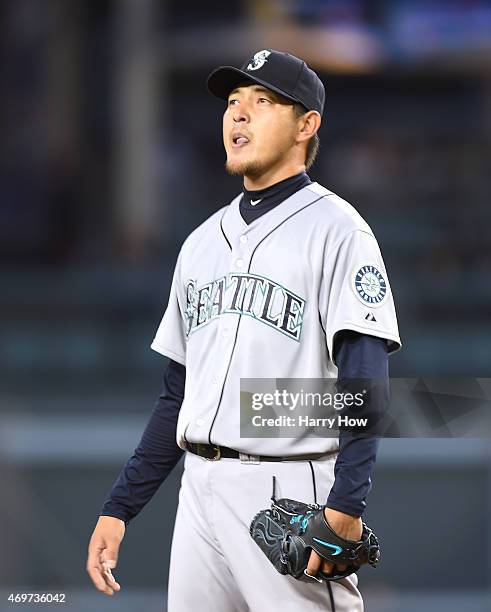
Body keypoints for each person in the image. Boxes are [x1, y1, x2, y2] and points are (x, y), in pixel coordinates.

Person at [86, 49, 401, 611]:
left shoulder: (339, 231)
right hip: (199, 493)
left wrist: (347, 506)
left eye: (263, 102)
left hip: (287, 489)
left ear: (307, 125)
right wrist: (119, 507)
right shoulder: (201, 242)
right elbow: (178, 395)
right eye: (233, 103)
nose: (239, 115)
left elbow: (364, 380)